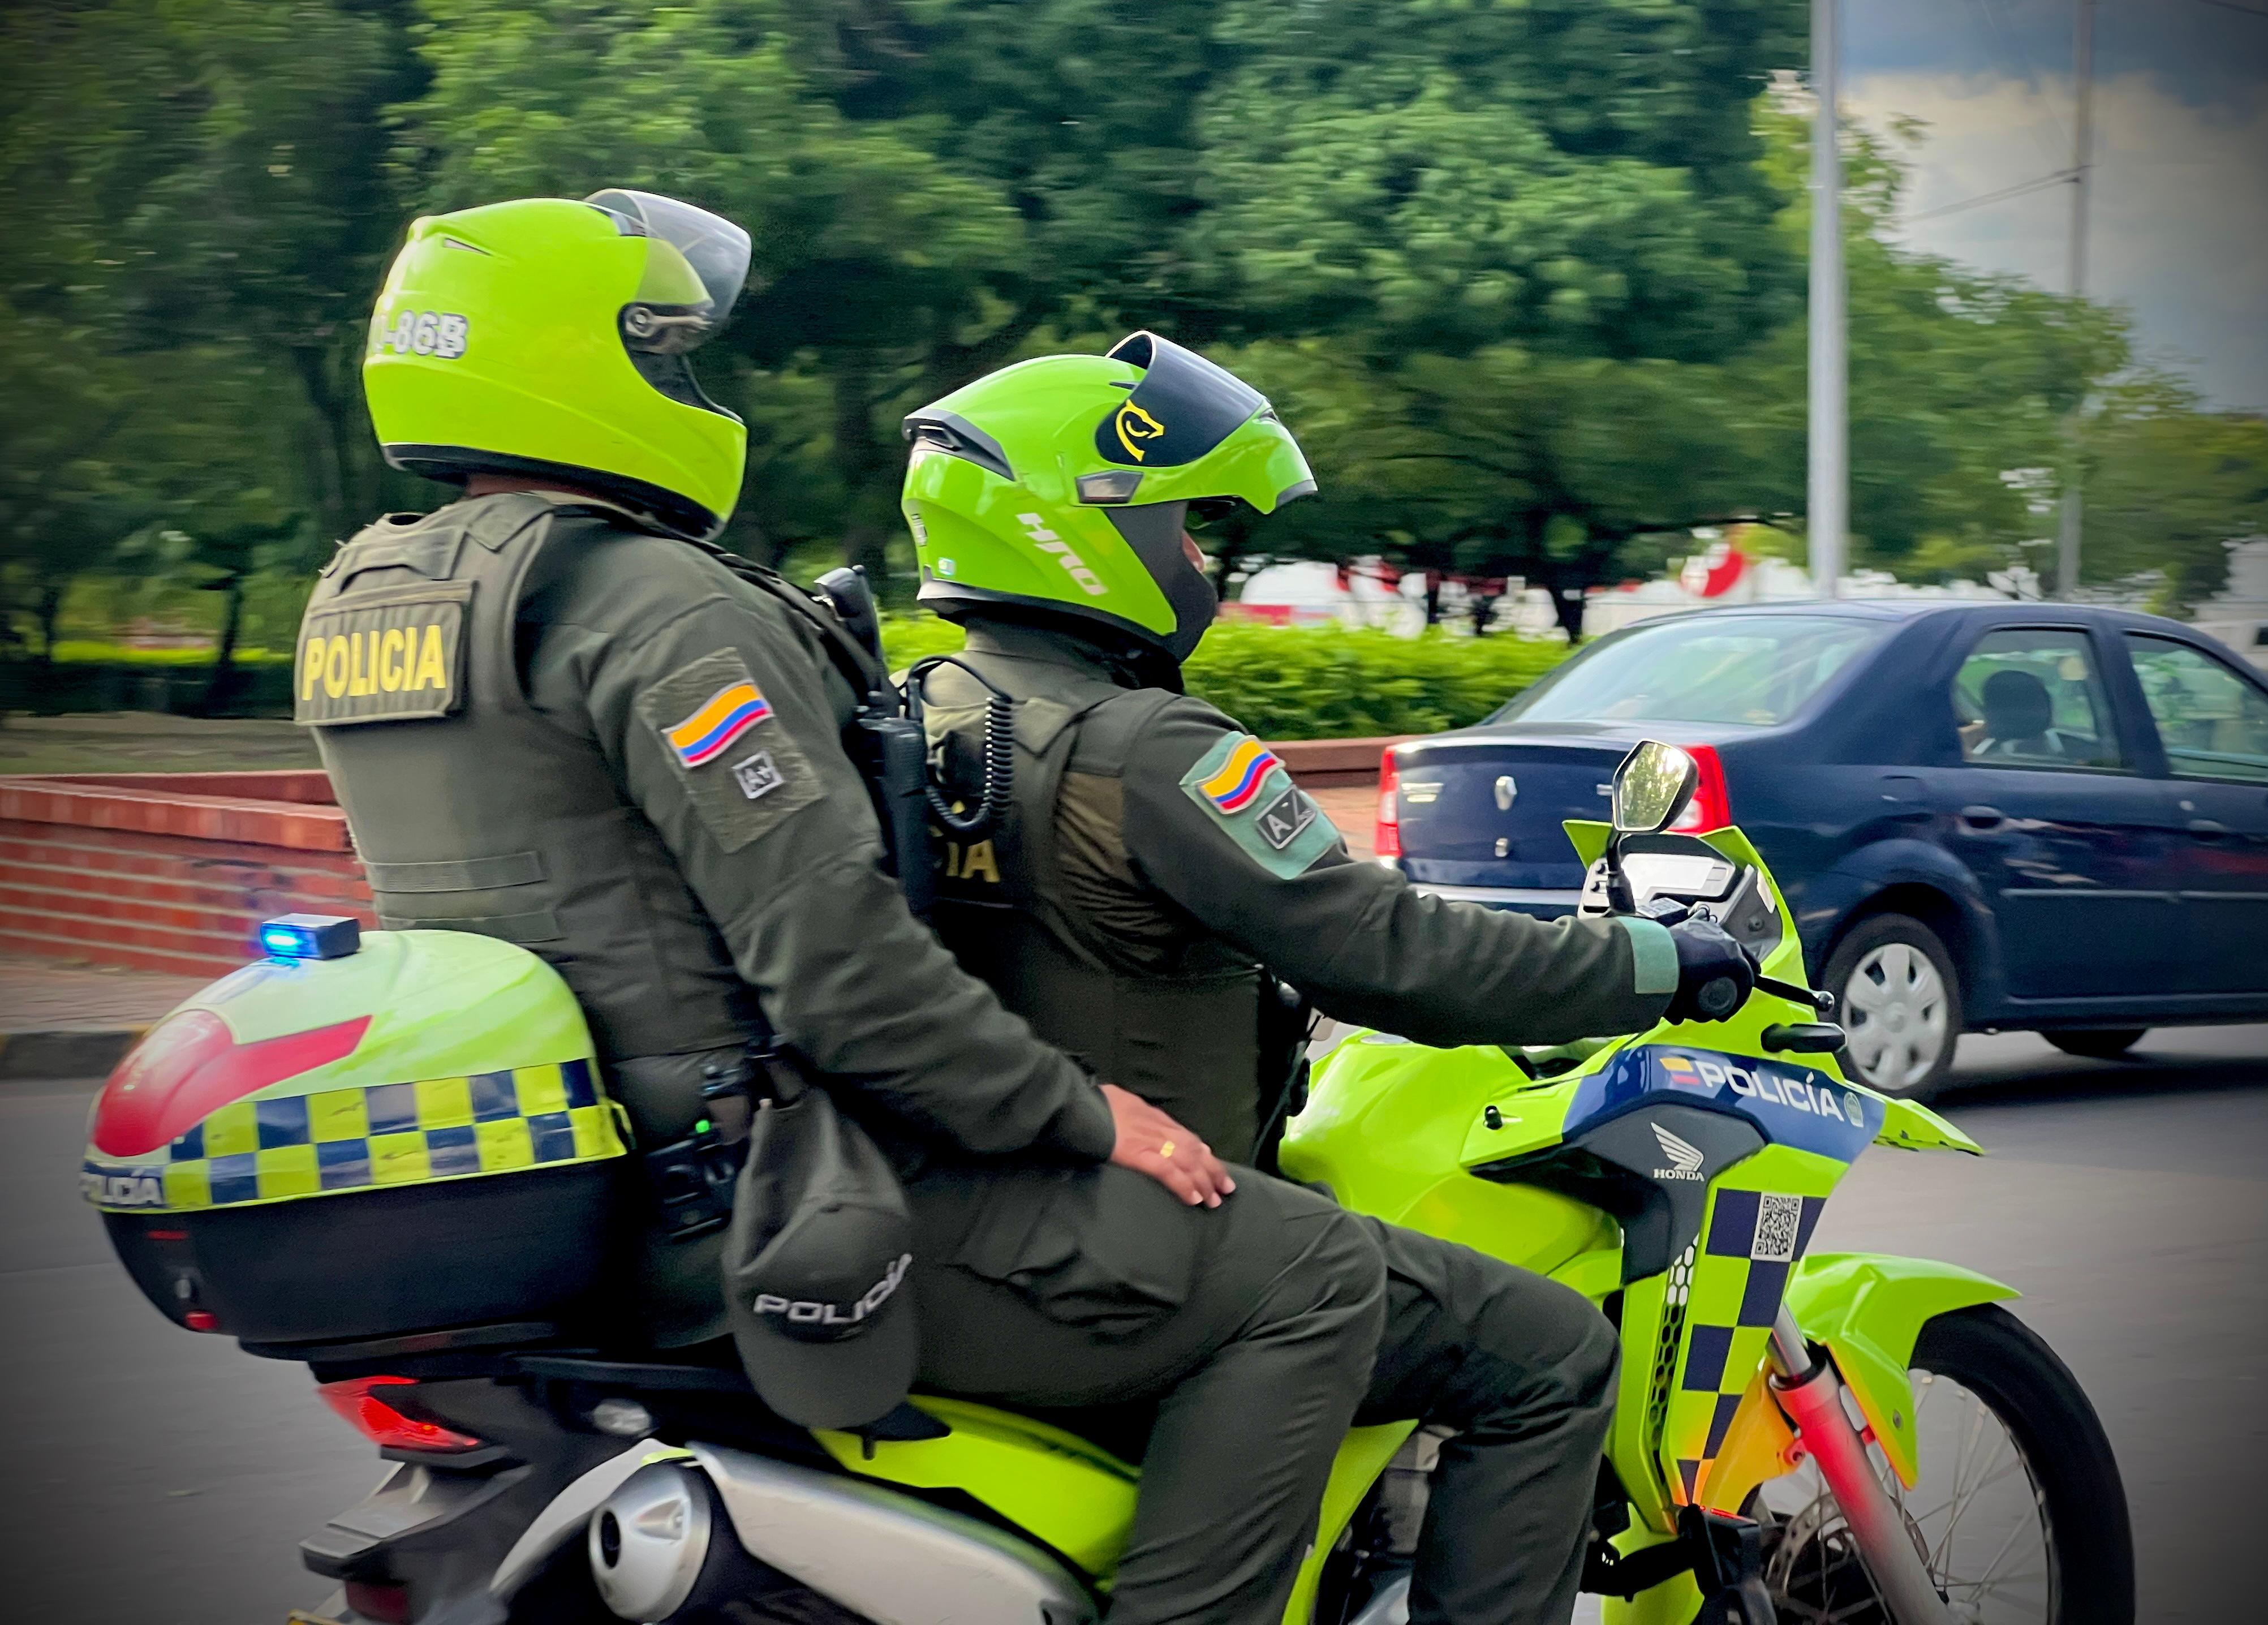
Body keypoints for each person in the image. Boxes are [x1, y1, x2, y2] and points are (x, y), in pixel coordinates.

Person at [299, 192, 1388, 1624]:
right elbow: (841, 968)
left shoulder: (371, 592)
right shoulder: (659, 607)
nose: (691, 385)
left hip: (584, 1181)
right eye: (664, 348)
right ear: (569, 361)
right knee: (1317, 1275)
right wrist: (1082, 1112)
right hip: (762, 1193)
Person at [905, 333, 1761, 1625]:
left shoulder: (926, 709)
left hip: (968, 1214)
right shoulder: (1149, 749)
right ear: (1091, 528)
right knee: (1549, 1352)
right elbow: (1393, 953)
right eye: (1188, 526)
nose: (1198, 560)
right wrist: (1655, 961)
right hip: (1137, 1233)